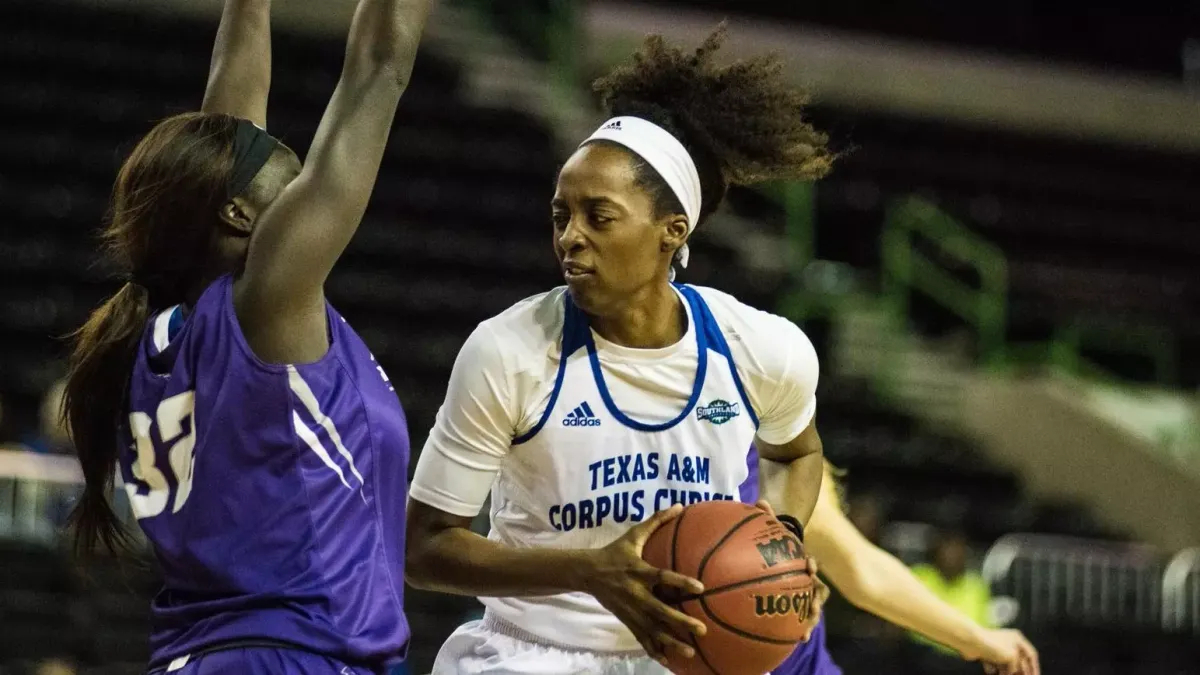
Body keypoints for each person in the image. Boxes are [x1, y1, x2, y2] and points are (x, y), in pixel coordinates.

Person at [406, 27, 833, 674]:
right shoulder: (509, 351)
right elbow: (425, 549)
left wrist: (784, 540)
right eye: (560, 216)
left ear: (672, 231)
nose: (570, 238)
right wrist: (587, 570)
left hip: (681, 658)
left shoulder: (760, 349)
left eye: (598, 216)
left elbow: (798, 451)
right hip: (529, 656)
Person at [60, 0, 432, 672]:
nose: (299, 178)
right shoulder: (264, 304)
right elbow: (380, 69)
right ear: (236, 212)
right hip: (294, 653)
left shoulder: (158, 328)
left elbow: (228, 108)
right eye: (279, 163)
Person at [763, 456, 1040, 675]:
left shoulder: (783, 446)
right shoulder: (764, 455)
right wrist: (978, 640)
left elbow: (863, 570)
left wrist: (977, 639)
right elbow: (863, 572)